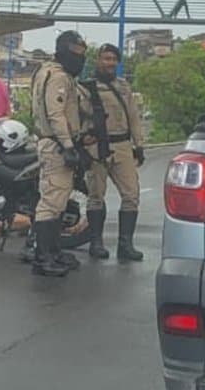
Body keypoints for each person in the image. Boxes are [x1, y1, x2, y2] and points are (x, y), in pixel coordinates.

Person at [77, 43, 146, 263]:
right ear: (98, 60)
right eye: (105, 58)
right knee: (96, 195)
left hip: (122, 145)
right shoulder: (86, 88)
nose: (109, 63)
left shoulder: (124, 87)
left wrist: (139, 145)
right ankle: (96, 242)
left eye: (113, 59)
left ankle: (126, 244)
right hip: (97, 147)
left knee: (131, 195)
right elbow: (77, 117)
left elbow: (134, 117)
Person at [27, 30, 87, 277]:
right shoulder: (58, 77)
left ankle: (53, 252)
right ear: (63, 51)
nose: (80, 59)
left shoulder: (45, 71)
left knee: (59, 199)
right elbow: (56, 114)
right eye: (76, 53)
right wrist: (69, 146)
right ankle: (43, 257)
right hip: (56, 144)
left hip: (51, 141)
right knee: (51, 202)